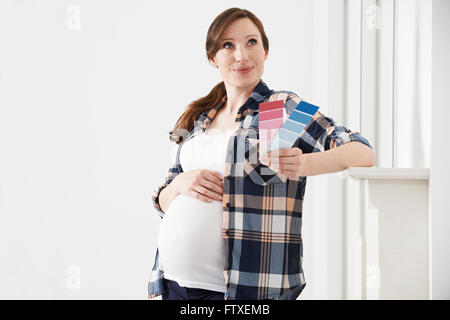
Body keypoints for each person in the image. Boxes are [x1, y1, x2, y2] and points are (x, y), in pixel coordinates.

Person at [148, 7, 375, 300]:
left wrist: (303, 163)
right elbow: (164, 200)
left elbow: (361, 151)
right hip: (172, 284)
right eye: (228, 45)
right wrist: (178, 186)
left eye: (251, 42)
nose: (242, 55)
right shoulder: (194, 119)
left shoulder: (279, 109)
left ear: (265, 51)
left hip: (242, 292)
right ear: (212, 58)